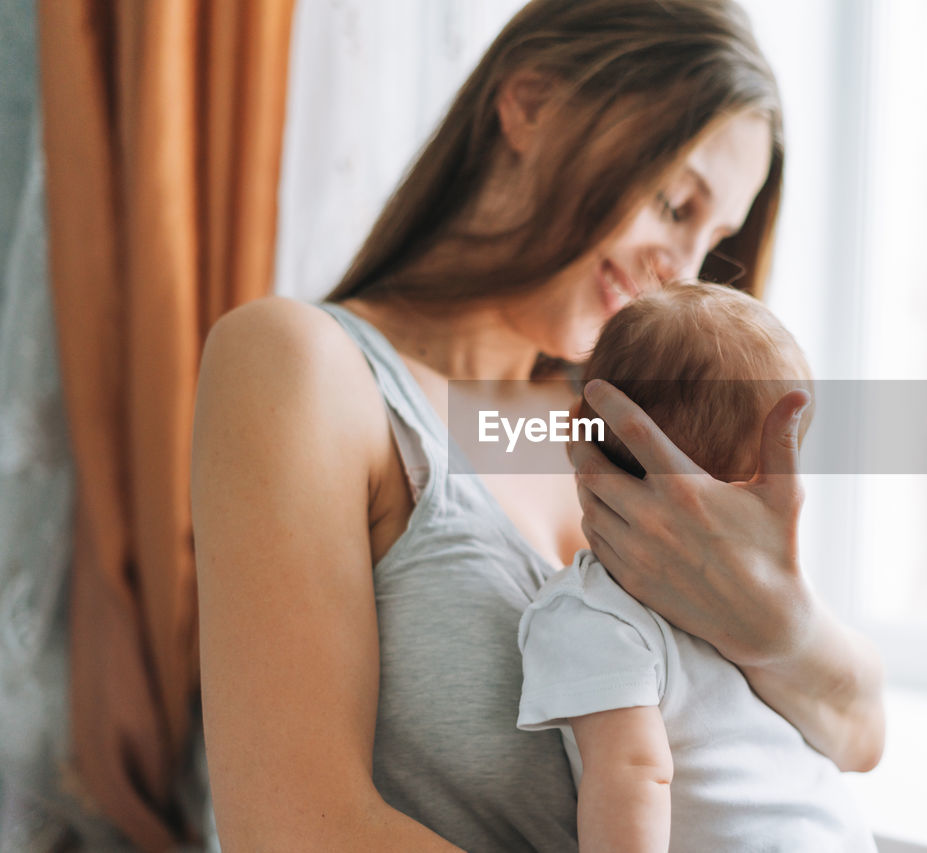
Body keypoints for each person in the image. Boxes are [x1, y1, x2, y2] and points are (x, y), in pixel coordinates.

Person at [191, 1, 884, 850]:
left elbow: (859, 734)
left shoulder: (631, 429)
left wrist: (780, 626)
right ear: (529, 102)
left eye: (715, 241)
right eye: (674, 203)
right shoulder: (309, 369)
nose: (684, 269)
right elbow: (296, 830)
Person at [518, 283, 878, 852]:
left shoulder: (590, 614)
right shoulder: (604, 615)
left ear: (577, 429)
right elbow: (637, 770)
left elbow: (636, 771)